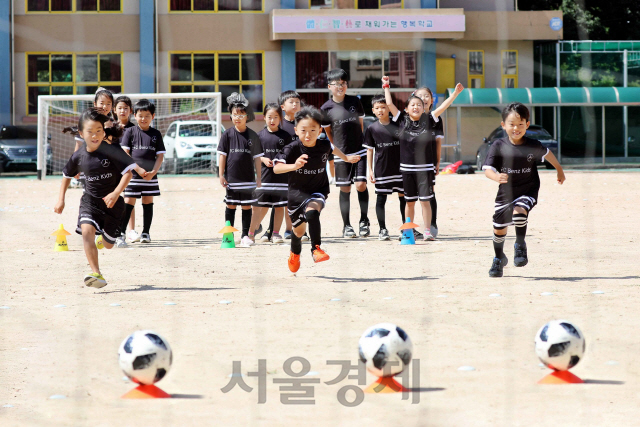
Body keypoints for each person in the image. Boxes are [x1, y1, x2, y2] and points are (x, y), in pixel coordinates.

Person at [55, 109, 137, 288]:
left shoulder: (111, 151)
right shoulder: (79, 155)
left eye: (99, 131)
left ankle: (103, 239)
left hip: (113, 204)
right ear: (81, 134)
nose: (95, 135)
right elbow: (66, 175)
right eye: (90, 132)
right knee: (86, 232)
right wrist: (61, 199)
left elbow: (128, 173)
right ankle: (96, 273)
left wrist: (116, 193)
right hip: (90, 201)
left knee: (108, 245)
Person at [482, 102, 565, 277]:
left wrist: (559, 169)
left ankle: (520, 245)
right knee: (499, 229)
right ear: (503, 125)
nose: (516, 128)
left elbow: (547, 153)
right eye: (512, 124)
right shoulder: (498, 145)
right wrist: (496, 177)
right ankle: (498, 259)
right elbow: (487, 170)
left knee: (520, 212)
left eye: (521, 124)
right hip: (505, 193)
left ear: (527, 124)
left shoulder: (532, 144)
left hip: (528, 188)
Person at [274, 106, 360, 272]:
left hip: (318, 190)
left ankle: (316, 249)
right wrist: (294, 165)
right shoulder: (291, 148)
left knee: (312, 212)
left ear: (320, 130)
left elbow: (333, 148)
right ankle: (294, 253)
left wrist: (347, 158)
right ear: (296, 130)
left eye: (313, 129)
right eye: (304, 130)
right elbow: (277, 168)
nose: (308, 134)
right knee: (298, 232)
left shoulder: (323, 144)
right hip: (296, 195)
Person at [382, 79, 438, 240]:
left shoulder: (428, 120)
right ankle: (408, 231)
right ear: (406, 109)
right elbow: (390, 104)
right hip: (407, 170)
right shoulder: (401, 120)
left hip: (425, 169)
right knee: (410, 202)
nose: (416, 107)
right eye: (412, 105)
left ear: (424, 108)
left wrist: (454, 94)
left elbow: (441, 108)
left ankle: (427, 231)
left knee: (426, 201)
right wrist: (386, 87)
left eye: (419, 105)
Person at [321, 69, 370, 238]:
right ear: (329, 86)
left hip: (359, 150)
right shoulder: (325, 108)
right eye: (337, 84)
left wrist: (358, 144)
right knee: (345, 188)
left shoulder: (355, 101)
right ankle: (346, 225)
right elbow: (328, 134)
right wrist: (338, 151)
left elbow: (361, 125)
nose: (340, 86)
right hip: (341, 154)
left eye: (343, 83)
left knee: (360, 185)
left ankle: (364, 221)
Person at [412, 84, 464, 237]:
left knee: (429, 193)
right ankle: (410, 227)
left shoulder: (435, 118)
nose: (424, 98)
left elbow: (438, 143)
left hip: (428, 162)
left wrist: (438, 162)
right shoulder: (408, 117)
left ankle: (431, 223)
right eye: (420, 96)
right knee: (410, 196)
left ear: (432, 100)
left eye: (427, 96)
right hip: (410, 163)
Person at [216, 93, 263, 247]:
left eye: (241, 115)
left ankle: (245, 236)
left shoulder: (253, 136)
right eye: (234, 114)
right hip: (231, 179)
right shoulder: (227, 135)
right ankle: (228, 236)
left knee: (246, 206)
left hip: (248, 179)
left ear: (247, 116)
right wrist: (221, 174)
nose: (237, 117)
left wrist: (259, 177)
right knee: (230, 205)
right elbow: (222, 156)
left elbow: (257, 158)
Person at [118, 99, 166, 245]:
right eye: (140, 115)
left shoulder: (156, 134)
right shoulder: (130, 132)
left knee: (147, 201)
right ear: (134, 115)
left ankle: (146, 232)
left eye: (147, 115)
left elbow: (160, 156)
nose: (143, 119)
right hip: (133, 175)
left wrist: (153, 172)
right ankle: (121, 233)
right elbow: (124, 154)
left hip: (150, 176)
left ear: (153, 116)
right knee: (128, 202)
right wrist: (137, 168)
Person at [363, 95, 405, 241]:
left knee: (403, 198)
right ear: (373, 111)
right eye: (377, 108)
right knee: (381, 199)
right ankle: (382, 229)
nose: (380, 110)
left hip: (400, 169)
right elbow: (369, 150)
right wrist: (370, 170)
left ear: (388, 108)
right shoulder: (371, 128)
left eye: (383, 107)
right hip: (382, 169)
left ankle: (406, 228)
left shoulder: (399, 124)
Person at [254, 103, 292, 244]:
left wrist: (281, 162)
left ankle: (276, 233)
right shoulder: (259, 136)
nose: (272, 120)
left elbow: (289, 154)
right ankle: (253, 229)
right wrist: (263, 159)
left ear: (280, 118)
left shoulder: (286, 136)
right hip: (265, 177)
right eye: (269, 117)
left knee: (279, 205)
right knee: (262, 205)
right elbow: (254, 155)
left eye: (276, 117)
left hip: (282, 178)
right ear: (264, 117)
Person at [70, 88, 116, 188]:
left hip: (106, 164)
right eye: (102, 103)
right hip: (89, 162)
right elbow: (79, 144)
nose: (105, 106)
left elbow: (110, 145)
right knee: (89, 193)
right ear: (95, 103)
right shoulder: (86, 120)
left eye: (108, 103)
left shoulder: (112, 123)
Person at [113, 95, 139, 243]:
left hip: (129, 170)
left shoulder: (135, 129)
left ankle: (131, 230)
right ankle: (111, 230)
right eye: (120, 108)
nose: (123, 111)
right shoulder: (109, 127)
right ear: (115, 110)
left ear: (130, 111)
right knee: (114, 199)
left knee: (129, 200)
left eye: (126, 108)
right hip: (113, 170)